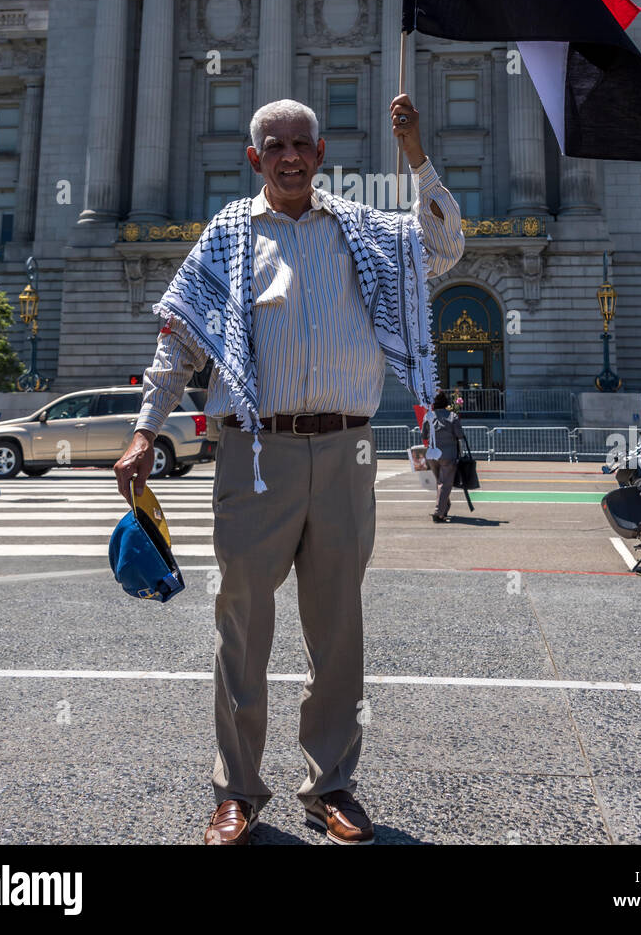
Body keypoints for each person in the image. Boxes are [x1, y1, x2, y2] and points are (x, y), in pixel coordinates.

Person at [114, 93, 463, 845]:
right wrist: (147, 430)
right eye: (275, 146)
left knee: (337, 627)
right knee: (240, 623)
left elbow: (443, 248)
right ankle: (236, 790)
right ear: (255, 159)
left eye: (301, 144)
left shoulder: (363, 230)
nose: (290, 156)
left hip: (346, 449)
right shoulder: (228, 237)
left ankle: (330, 785)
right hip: (254, 451)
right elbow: (178, 343)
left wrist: (415, 154)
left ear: (321, 152)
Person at [424, 392, 463, 523]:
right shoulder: (452, 416)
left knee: (440, 483)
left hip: (432, 454)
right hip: (448, 454)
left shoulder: (428, 416)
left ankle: (444, 507)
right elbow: (460, 435)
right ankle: (439, 512)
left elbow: (423, 435)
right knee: (445, 484)